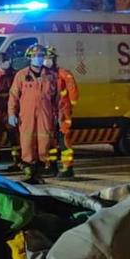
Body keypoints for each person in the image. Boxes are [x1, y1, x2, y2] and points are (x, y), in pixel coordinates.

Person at [7, 44, 59, 184]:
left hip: (45, 115)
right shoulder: (22, 75)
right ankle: (29, 172)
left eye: (41, 56)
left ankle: (39, 171)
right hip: (27, 116)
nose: (38, 58)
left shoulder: (50, 76)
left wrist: (59, 116)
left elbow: (57, 98)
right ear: (30, 57)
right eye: (35, 56)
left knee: (44, 144)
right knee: (27, 143)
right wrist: (12, 113)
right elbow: (13, 96)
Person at [45, 47, 80, 177]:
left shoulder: (63, 73)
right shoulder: (44, 74)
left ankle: (68, 168)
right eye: (46, 59)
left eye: (50, 58)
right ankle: (51, 165)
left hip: (62, 112)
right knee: (50, 140)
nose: (47, 61)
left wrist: (71, 103)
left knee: (63, 139)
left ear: (54, 59)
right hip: (49, 112)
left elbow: (72, 87)